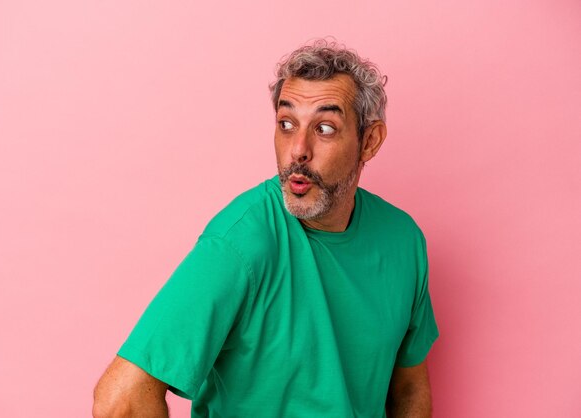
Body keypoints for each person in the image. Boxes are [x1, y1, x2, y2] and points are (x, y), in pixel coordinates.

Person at [93, 39, 439, 418]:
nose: (298, 150)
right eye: (286, 124)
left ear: (368, 141)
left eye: (324, 128)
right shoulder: (240, 242)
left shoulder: (403, 241)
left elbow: (408, 388)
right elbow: (120, 401)